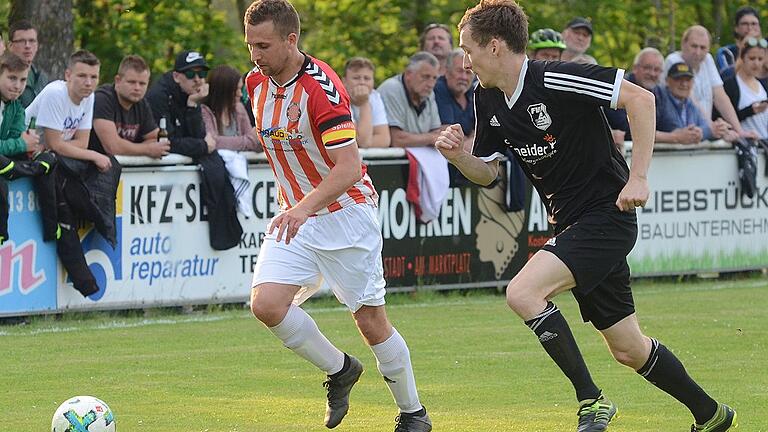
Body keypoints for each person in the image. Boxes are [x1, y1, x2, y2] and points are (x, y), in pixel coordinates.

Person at [437, 2, 737, 431]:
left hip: (608, 215)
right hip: (572, 225)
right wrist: (460, 156)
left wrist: (639, 178)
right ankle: (711, 415)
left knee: (522, 293)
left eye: (468, 50)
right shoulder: (487, 96)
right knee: (629, 349)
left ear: (496, 46)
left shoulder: (554, 76)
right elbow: (487, 173)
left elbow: (641, 99)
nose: (465, 61)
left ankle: (591, 401)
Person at [244, 1, 431, 431]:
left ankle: (413, 413)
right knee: (267, 305)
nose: (256, 55)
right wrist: (296, 206)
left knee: (370, 321)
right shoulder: (254, 82)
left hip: (345, 216)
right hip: (296, 217)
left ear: (292, 40)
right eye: (251, 45)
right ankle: (340, 369)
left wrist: (302, 206)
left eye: (264, 45)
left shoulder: (321, 89)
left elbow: (348, 167)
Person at [26, 50, 114, 297]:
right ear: (68, 75)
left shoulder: (89, 97)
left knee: (110, 166)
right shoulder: (56, 93)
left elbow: (81, 143)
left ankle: (97, 220)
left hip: (55, 158)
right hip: (30, 156)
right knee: (95, 166)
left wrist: (74, 149)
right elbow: (55, 144)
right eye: (82, 76)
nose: (88, 83)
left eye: (94, 77)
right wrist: (95, 156)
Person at [147, 50, 243, 251]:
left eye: (201, 74)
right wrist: (201, 146)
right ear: (176, 76)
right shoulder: (159, 96)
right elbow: (168, 141)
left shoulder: (195, 95)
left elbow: (199, 137)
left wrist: (193, 105)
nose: (198, 80)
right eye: (191, 74)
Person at [663, 25, 755, 140]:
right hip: (681, 131)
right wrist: (712, 127)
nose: (698, 52)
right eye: (694, 46)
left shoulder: (707, 59)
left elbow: (721, 97)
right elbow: (691, 101)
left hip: (703, 131)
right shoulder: (674, 61)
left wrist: (739, 131)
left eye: (703, 48)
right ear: (683, 44)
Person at [0, 52, 53, 246]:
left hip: (8, 163)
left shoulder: (16, 106)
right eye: (12, 78)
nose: (17, 85)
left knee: (49, 160)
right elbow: (17, 142)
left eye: (22, 80)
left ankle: (52, 226)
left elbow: (16, 137)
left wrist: (29, 145)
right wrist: (22, 144)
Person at [90, 54, 168, 158]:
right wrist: (147, 150)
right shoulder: (102, 98)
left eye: (142, 84)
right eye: (132, 82)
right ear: (118, 81)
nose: (137, 88)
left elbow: (156, 139)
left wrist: (131, 148)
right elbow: (112, 146)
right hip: (93, 168)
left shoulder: (142, 104)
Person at [378, 52, 443, 147]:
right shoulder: (392, 88)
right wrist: (430, 138)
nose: (431, 84)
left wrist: (430, 137)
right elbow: (397, 139)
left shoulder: (428, 93)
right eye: (425, 77)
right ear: (408, 74)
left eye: (434, 78)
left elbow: (436, 132)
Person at [605, 47, 665, 142]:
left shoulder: (659, 92)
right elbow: (626, 128)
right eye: (647, 68)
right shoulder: (620, 87)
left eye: (657, 69)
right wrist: (674, 137)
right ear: (635, 68)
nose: (652, 73)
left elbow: (664, 124)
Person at [654, 62, 718, 144]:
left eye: (688, 80)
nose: (684, 84)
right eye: (678, 79)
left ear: (693, 82)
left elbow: (706, 127)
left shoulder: (690, 103)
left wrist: (700, 132)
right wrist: (676, 137)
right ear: (667, 81)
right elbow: (645, 132)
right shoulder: (659, 98)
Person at [201, 65, 260, 151]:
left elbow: (253, 142)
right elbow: (213, 142)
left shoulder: (239, 108)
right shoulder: (204, 111)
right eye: (236, 90)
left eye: (240, 89)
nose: (240, 94)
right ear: (224, 91)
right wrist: (248, 140)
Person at [723, 37, 768, 139]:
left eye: (760, 59)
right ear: (742, 58)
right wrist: (750, 111)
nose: (756, 63)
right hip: (744, 145)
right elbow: (723, 119)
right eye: (752, 58)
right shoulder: (731, 85)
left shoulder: (764, 85)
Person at [341, 57, 390, 148]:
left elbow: (384, 139)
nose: (362, 82)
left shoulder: (375, 97)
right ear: (344, 81)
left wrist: (365, 102)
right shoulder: (339, 98)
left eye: (367, 78)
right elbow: (362, 142)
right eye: (356, 78)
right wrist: (364, 103)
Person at [434, 48, 475, 149]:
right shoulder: (438, 88)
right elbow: (447, 130)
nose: (464, 77)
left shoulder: (473, 91)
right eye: (459, 71)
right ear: (447, 72)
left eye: (468, 73)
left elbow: (480, 129)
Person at [7, 20, 49, 108]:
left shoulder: (42, 77)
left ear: (37, 45)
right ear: (10, 46)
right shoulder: (4, 77)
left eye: (32, 41)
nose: (27, 46)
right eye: (22, 41)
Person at [715, 6, 761, 73]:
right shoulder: (726, 52)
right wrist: (743, 48)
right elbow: (726, 77)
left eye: (754, 24)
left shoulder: (765, 52)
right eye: (745, 24)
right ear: (736, 28)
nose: (750, 28)